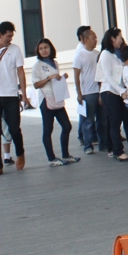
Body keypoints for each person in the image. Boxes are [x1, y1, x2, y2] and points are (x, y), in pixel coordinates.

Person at [0, 22, 30, 176]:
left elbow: (21, 72)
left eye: (12, 36)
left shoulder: (15, 50)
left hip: (11, 95)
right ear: (0, 35)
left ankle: (20, 153)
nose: (10, 39)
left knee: (14, 128)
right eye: (8, 36)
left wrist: (24, 94)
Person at [31, 38, 80, 167]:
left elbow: (55, 79)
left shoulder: (55, 63)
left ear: (51, 48)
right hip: (46, 99)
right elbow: (36, 84)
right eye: (41, 49)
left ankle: (66, 154)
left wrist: (62, 77)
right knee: (48, 129)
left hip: (57, 98)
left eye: (46, 47)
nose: (44, 50)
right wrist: (49, 78)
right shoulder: (37, 65)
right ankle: (51, 158)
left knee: (67, 126)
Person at [96, 27, 128, 160]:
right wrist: (121, 91)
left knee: (115, 120)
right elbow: (107, 76)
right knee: (115, 121)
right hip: (109, 92)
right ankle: (118, 151)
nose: (121, 40)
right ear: (112, 39)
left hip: (117, 92)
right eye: (119, 37)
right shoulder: (105, 54)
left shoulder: (116, 55)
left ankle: (112, 147)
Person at [73, 26, 102, 154]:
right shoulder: (79, 55)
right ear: (85, 40)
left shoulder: (98, 54)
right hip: (87, 93)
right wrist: (79, 93)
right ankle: (88, 145)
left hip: (99, 91)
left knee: (102, 120)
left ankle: (103, 143)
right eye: (93, 38)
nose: (95, 40)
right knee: (88, 121)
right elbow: (76, 76)